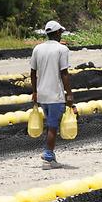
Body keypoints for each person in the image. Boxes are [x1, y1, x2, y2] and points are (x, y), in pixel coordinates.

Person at [30, 20, 74, 169]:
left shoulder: (37, 49)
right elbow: (64, 73)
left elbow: (33, 72)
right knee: (53, 126)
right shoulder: (62, 50)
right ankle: (48, 158)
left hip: (42, 94)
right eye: (60, 32)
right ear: (56, 33)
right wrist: (69, 94)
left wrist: (35, 91)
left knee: (50, 124)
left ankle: (51, 156)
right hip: (55, 94)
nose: (61, 34)